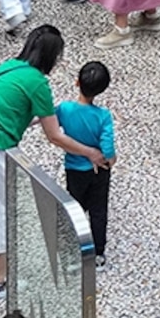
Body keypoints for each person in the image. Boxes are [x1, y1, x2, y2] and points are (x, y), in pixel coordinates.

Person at [54, 59, 117, 260]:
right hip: (99, 170)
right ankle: (98, 253)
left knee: (76, 207)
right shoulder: (103, 116)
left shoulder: (64, 109)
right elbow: (107, 145)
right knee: (99, 210)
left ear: (77, 82)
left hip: (74, 168)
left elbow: (50, 122)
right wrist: (110, 159)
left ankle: (74, 246)